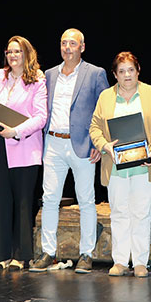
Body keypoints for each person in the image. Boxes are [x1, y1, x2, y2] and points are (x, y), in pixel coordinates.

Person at [31, 28, 108, 274]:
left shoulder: (95, 73)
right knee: (50, 199)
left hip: (83, 144)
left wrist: (99, 143)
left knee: (86, 200)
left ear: (82, 47)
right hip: (53, 143)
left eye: (72, 43)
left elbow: (104, 110)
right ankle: (48, 252)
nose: (67, 47)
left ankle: (86, 254)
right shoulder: (49, 74)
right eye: (64, 43)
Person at [89, 52, 151, 278]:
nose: (127, 75)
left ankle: (140, 262)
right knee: (119, 213)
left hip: (144, 164)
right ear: (114, 74)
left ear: (138, 70)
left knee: (141, 213)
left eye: (131, 70)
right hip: (115, 166)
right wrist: (105, 145)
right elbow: (94, 127)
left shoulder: (150, 93)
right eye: (121, 71)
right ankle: (121, 261)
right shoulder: (106, 96)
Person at [0, 36, 47, 271]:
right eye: (9, 52)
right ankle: (1, 254)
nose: (13, 55)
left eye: (18, 51)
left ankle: (21, 255)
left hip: (23, 144)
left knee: (23, 202)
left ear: (26, 53)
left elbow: (41, 117)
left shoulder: (37, 79)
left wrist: (16, 131)